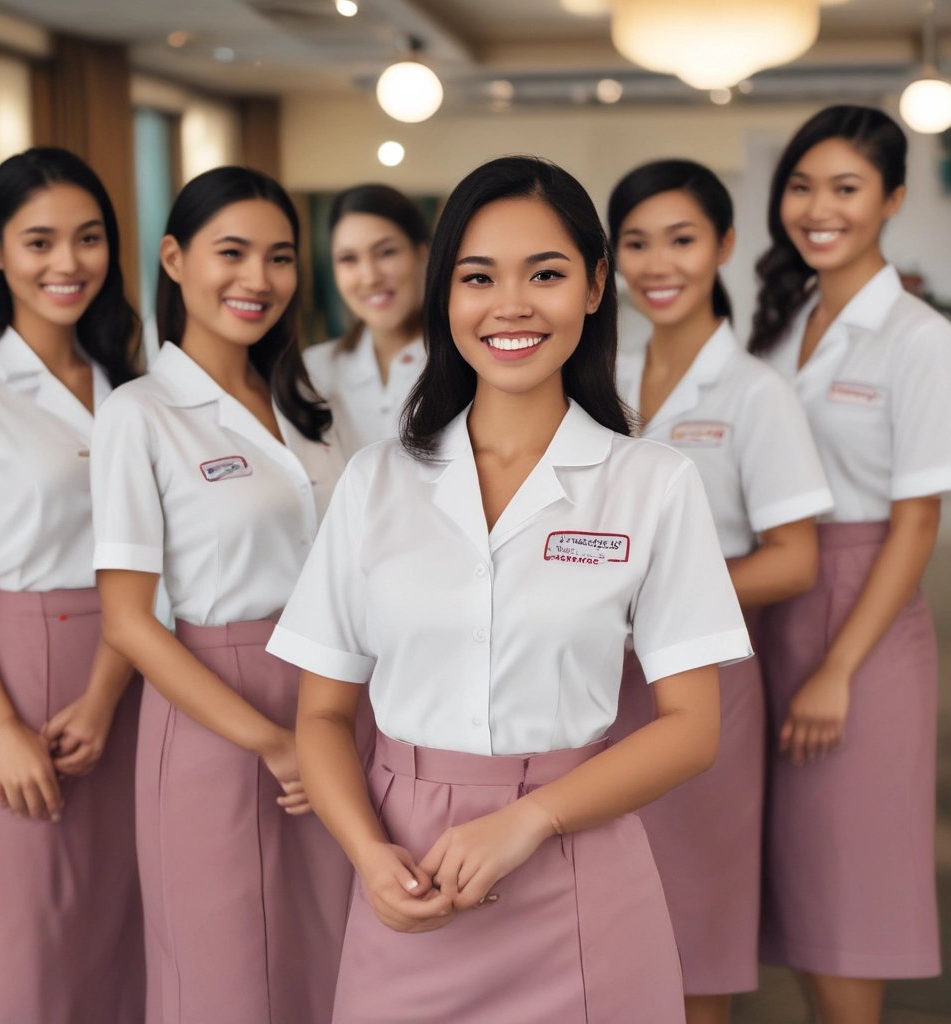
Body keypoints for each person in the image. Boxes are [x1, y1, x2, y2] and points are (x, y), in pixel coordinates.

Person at [266, 155, 753, 1023]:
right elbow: (322, 716)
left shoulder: (653, 482)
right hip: (405, 878)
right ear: (444, 294)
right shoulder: (376, 481)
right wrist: (368, 857)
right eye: (478, 276)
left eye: (548, 274)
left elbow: (691, 730)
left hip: (580, 873)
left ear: (597, 286)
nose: (512, 305)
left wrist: (530, 822)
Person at [90, 166, 350, 1024]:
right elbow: (129, 621)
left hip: (338, 695)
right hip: (220, 711)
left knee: (328, 955)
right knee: (228, 973)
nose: (259, 280)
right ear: (173, 259)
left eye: (280, 258)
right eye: (231, 253)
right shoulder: (140, 412)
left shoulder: (312, 405)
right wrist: (272, 741)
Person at [606, 158, 833, 1024]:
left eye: (682, 240)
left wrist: (662, 596)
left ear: (724, 246)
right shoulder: (598, 382)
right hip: (600, 680)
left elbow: (795, 559)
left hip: (704, 683)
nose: (658, 264)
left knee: (695, 919)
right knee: (610, 911)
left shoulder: (755, 393)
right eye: (636, 243)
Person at [0, 147, 144, 1023]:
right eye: (40, 241)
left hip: (136, 672)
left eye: (88, 239)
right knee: (25, 942)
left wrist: (103, 695)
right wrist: (0, 726)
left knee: (127, 926)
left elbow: (154, 563)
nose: (68, 264)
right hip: (18, 672)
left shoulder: (134, 385)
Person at [749, 105, 951, 1024]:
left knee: (848, 881)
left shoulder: (917, 337)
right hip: (770, 599)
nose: (817, 208)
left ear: (892, 200)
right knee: (784, 871)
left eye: (845, 188)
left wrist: (838, 667)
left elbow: (916, 525)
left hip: (859, 616)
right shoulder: (783, 320)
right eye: (801, 185)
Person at [303, 183, 429, 455]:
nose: (370, 277)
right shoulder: (313, 372)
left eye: (386, 252)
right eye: (348, 259)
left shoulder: (469, 366)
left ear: (423, 254)